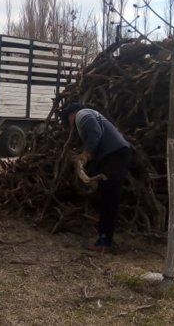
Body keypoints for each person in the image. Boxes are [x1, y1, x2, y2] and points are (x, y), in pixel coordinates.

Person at [59, 102, 132, 252]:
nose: (71, 126)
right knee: (109, 198)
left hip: (113, 155)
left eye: (69, 121)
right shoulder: (92, 114)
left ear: (71, 115)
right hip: (118, 153)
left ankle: (104, 242)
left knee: (108, 199)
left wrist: (85, 155)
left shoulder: (82, 115)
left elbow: (95, 133)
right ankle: (106, 239)